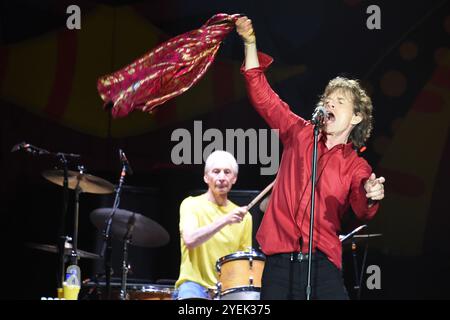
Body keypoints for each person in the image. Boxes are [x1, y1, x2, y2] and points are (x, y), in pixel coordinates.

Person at [235, 16, 385, 300]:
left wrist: (370, 194)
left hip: (322, 265)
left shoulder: (356, 166)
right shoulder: (299, 133)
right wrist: (250, 43)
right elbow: (261, 94)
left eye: (340, 101)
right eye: (328, 99)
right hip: (279, 265)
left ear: (356, 117)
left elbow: (361, 208)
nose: (330, 103)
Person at [174, 150, 252, 299]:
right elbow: (190, 240)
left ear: (234, 179)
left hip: (226, 289)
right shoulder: (191, 204)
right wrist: (225, 220)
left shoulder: (244, 217)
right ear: (206, 177)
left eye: (227, 172)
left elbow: (243, 263)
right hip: (194, 286)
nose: (222, 177)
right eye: (216, 171)